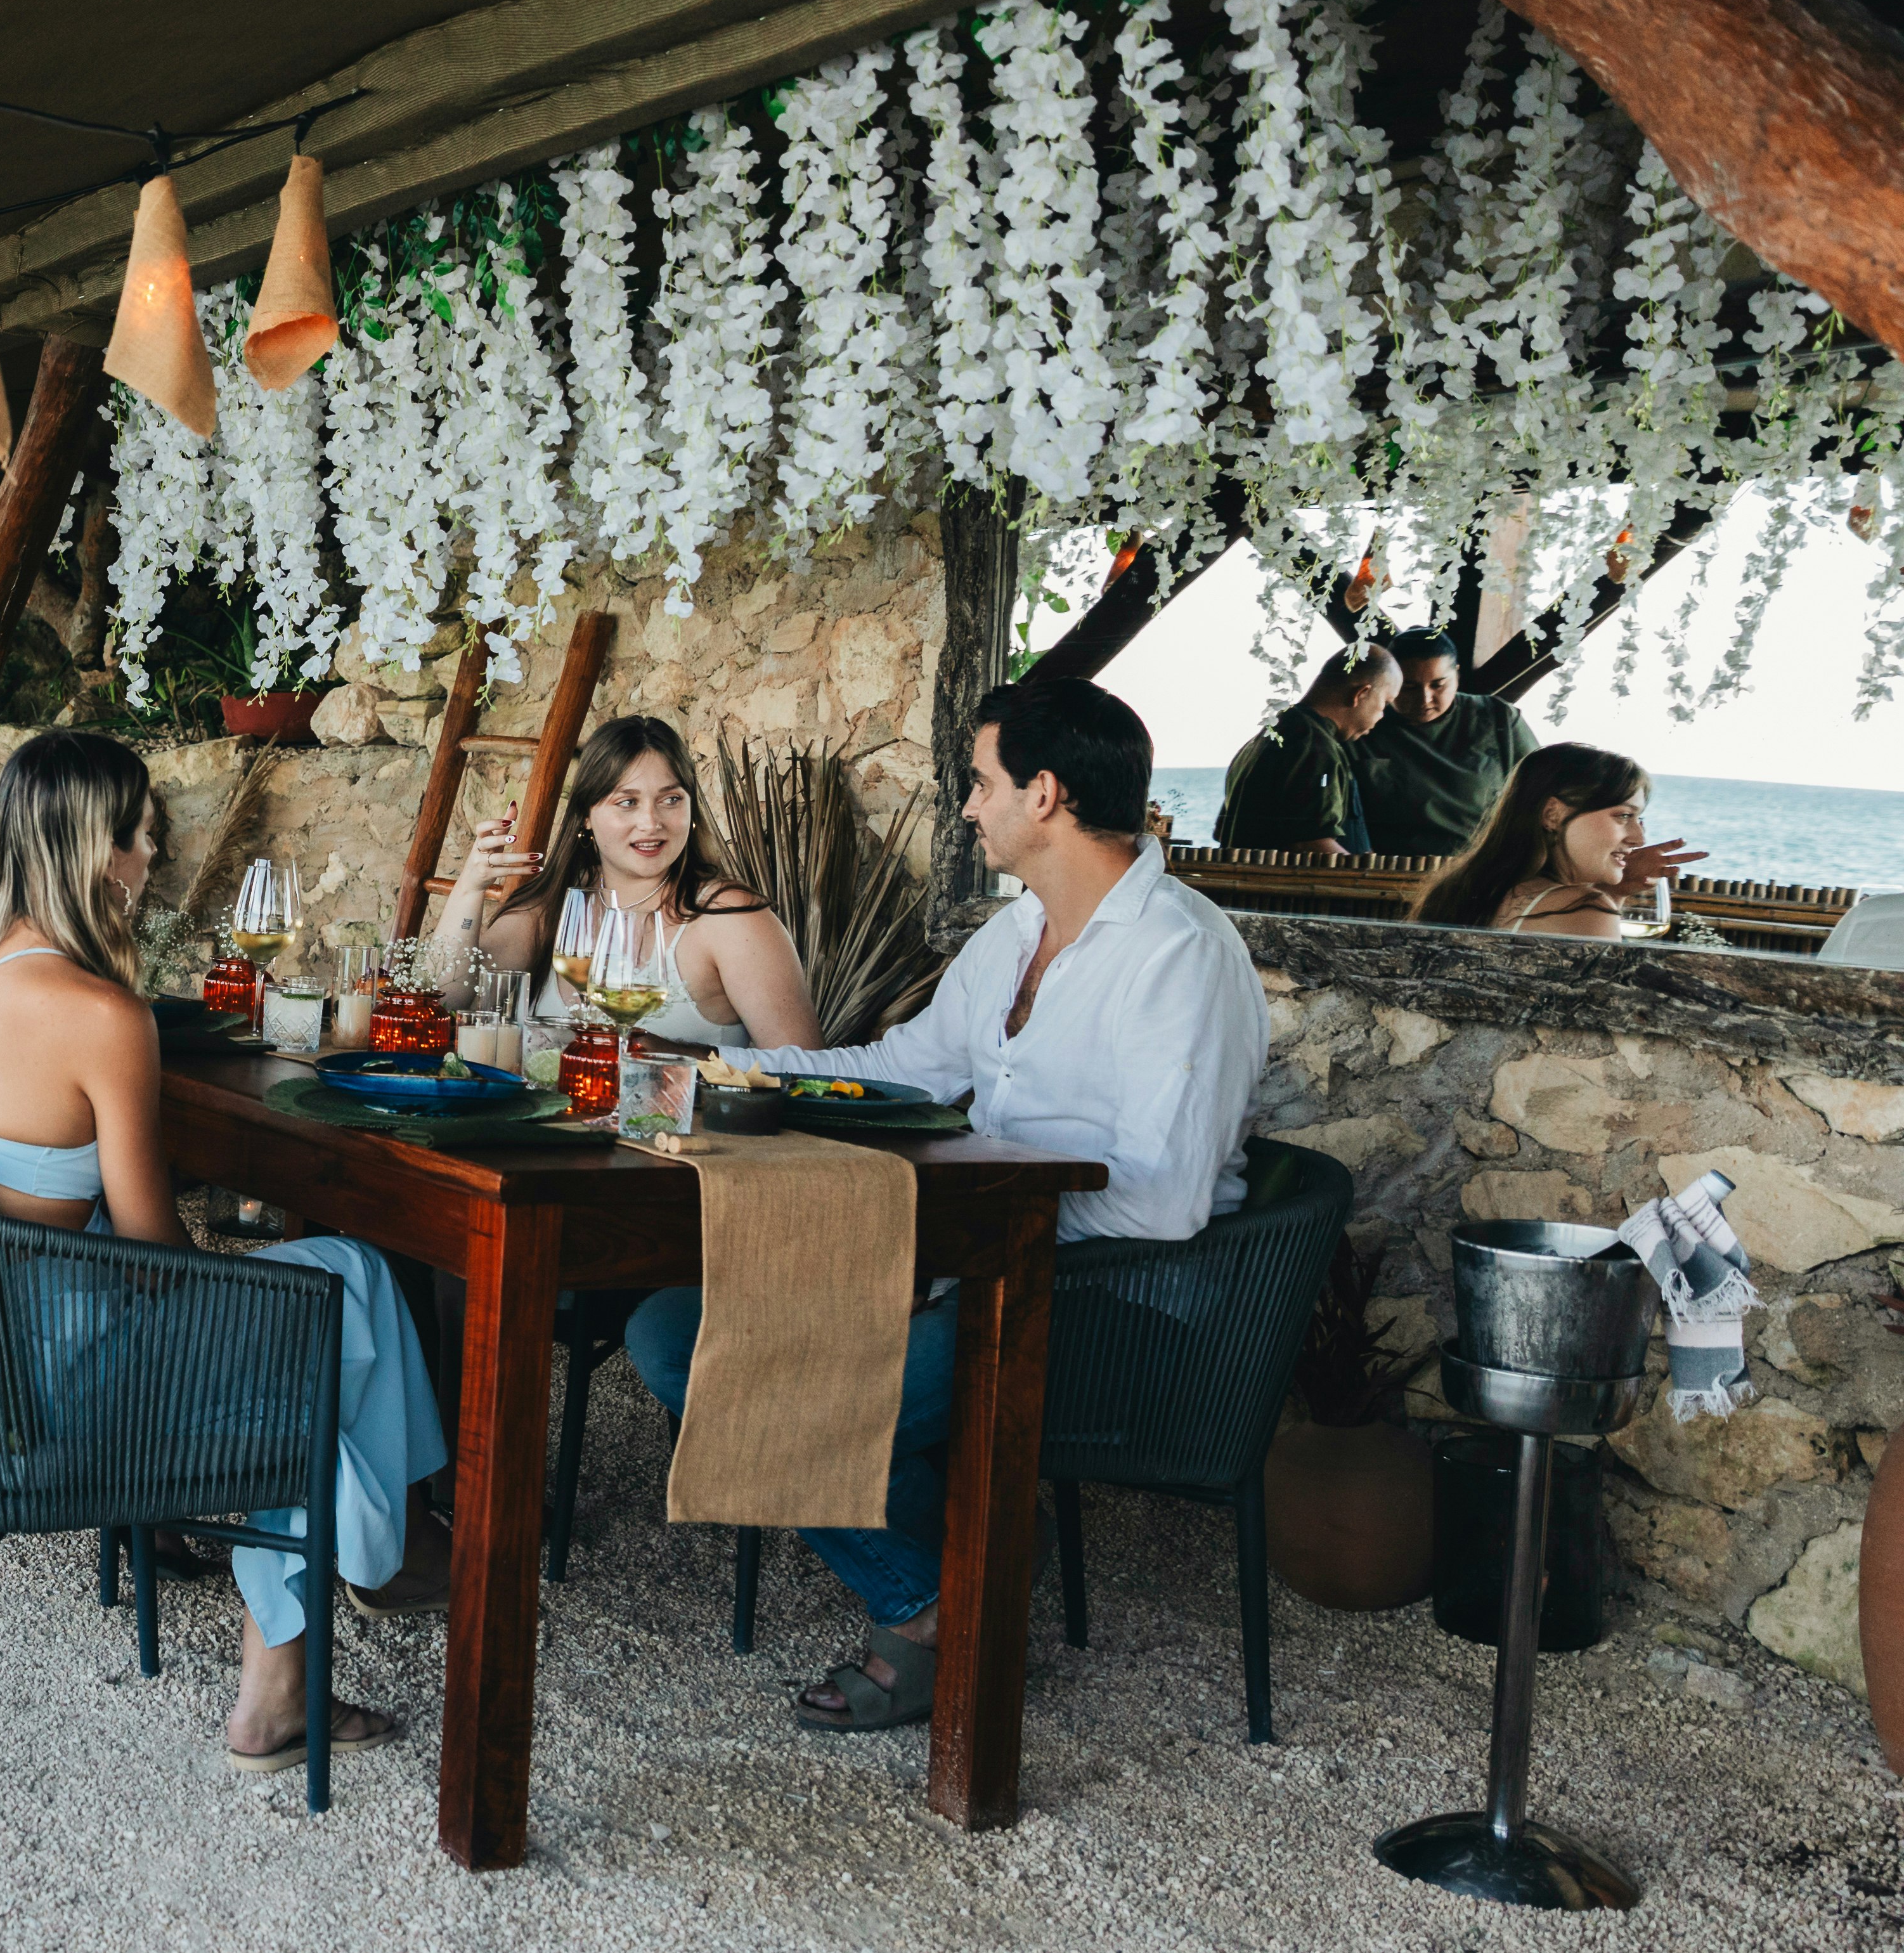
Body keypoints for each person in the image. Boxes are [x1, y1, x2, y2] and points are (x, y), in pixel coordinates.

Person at [625, 678, 1268, 1734]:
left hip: (1116, 1309)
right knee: (672, 1331)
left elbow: (1162, 1206)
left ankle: (928, 1616)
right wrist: (707, 1066)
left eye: (981, 782)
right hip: (982, 1269)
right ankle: (954, 1584)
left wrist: (943, 1250)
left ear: (1045, 794)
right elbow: (901, 1070)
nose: (967, 808)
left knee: (777, 1381)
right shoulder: (1018, 936)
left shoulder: (1181, 959)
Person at [0, 731, 448, 1775]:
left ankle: (381, 1541)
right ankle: (376, 1557)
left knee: (332, 1298)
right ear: (99, 852)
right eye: (142, 837)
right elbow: (156, 1254)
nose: (153, 861)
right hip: (56, 1382)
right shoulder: (100, 1013)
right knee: (340, 1299)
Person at [428, 713, 823, 1048]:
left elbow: (807, 1072)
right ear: (586, 815)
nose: (651, 823)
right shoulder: (556, 906)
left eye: (671, 799)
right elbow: (446, 999)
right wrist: (471, 888)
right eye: (627, 802)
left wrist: (668, 1055)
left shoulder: (729, 917)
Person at [1412, 744, 1707, 937]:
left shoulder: (1464, 890)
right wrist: (1602, 901)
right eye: (1623, 816)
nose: (1638, 838)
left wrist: (1613, 894)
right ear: (1553, 814)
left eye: (1639, 819)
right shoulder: (1583, 910)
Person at [1349, 628, 1537, 860]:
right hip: (1391, 872)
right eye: (1409, 687)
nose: (1424, 699)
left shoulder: (1499, 720)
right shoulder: (1363, 724)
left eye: (1438, 685)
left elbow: (1543, 796)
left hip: (1484, 868)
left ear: (1457, 676)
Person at [1213, 643, 1401, 857]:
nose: (1381, 716)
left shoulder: (1264, 738)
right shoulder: (1315, 747)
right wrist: (1368, 873)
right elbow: (1309, 845)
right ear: (1362, 694)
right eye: (1385, 704)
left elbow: (1221, 831)